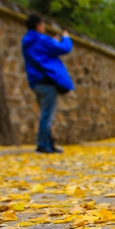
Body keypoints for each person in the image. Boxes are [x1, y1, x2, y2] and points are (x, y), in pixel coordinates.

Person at [22, 14, 73, 154]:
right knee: (47, 115)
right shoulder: (41, 39)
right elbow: (64, 49)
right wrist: (66, 38)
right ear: (38, 25)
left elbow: (43, 53)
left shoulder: (27, 41)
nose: (43, 27)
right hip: (47, 80)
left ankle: (49, 144)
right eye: (43, 25)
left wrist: (52, 42)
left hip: (36, 81)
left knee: (45, 113)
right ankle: (43, 144)